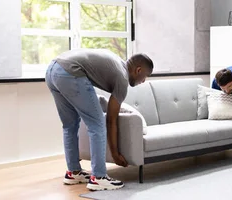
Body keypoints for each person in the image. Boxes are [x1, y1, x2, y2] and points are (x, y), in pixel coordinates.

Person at [45, 48, 154, 191]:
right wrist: (115, 154)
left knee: (70, 125)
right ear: (138, 70)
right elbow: (111, 119)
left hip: (52, 70)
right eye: (145, 76)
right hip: (70, 72)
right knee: (97, 124)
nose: (144, 81)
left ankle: (74, 172)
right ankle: (99, 177)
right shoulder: (122, 78)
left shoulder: (116, 63)